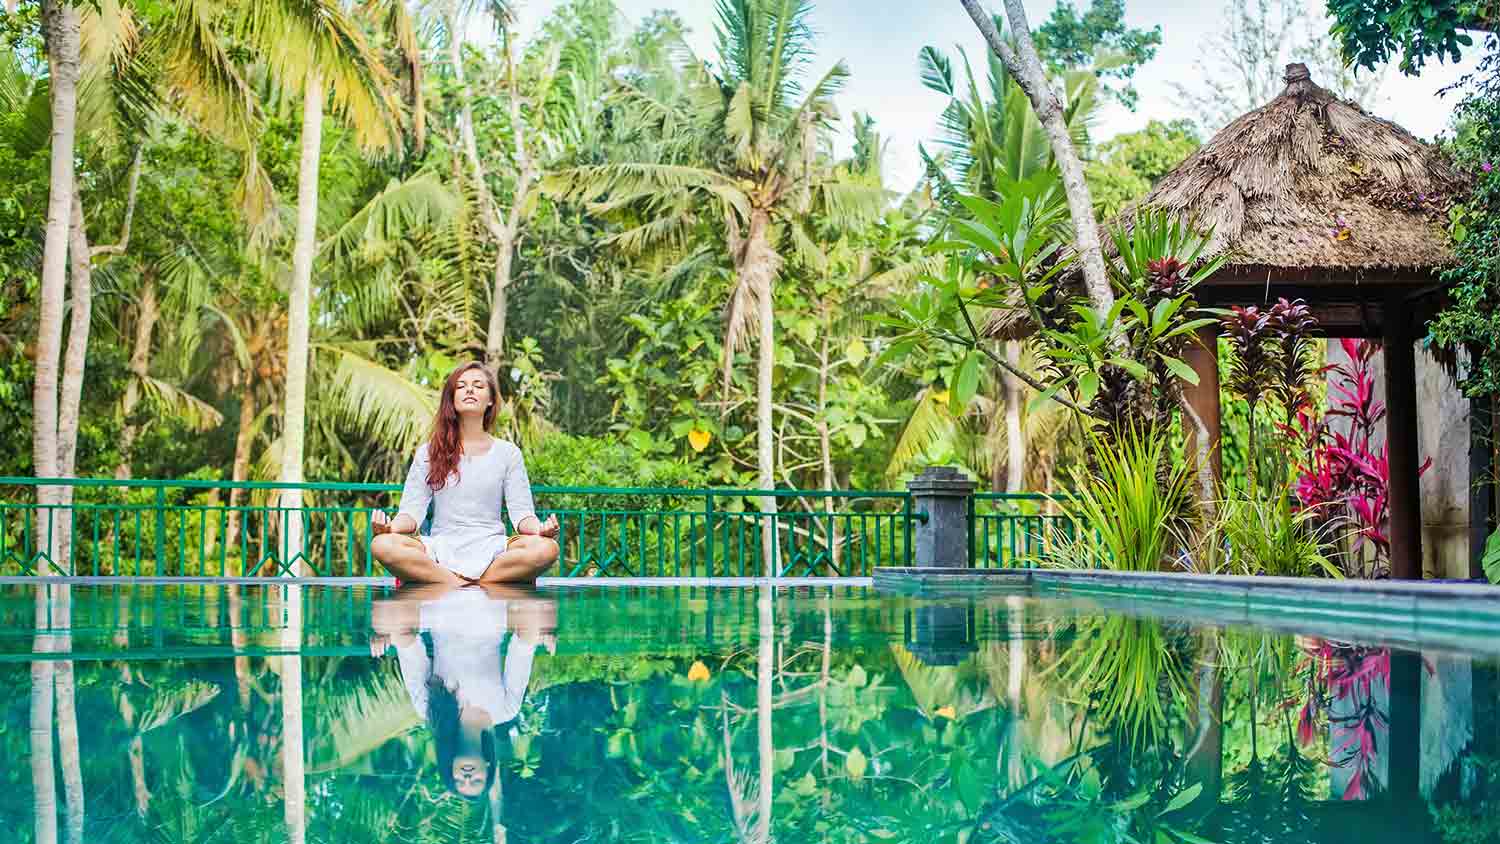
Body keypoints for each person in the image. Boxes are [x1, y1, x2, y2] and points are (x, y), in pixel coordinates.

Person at [371, 361, 560, 584]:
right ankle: (468, 584)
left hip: (493, 548)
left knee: (547, 548)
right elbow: (411, 513)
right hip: (441, 546)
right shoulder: (429, 452)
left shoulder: (508, 453)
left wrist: (540, 528)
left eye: (478, 385)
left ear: (490, 400)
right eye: (461, 386)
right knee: (382, 544)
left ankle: (451, 582)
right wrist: (390, 527)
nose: (469, 389)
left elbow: (522, 515)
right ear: (452, 398)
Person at [369, 583, 557, 800]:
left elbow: (409, 650)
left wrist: (388, 633)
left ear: (450, 768)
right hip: (491, 609)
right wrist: (540, 635)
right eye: (476, 780)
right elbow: (521, 651)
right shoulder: (506, 711)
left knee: (387, 618)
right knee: (541, 615)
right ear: (488, 766)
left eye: (459, 780)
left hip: (441, 608)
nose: (467, 777)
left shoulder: (431, 712)